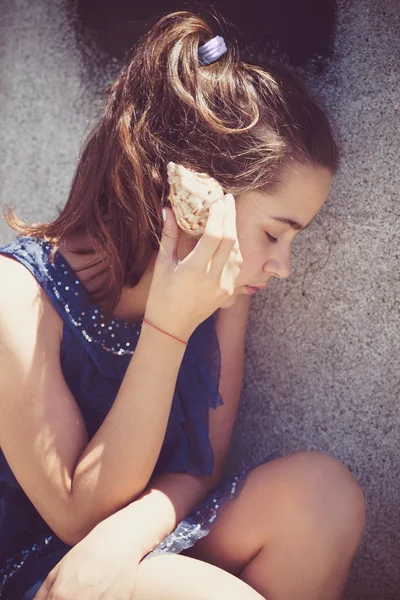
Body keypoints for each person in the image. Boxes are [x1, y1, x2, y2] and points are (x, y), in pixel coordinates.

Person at [0, 10, 365, 600]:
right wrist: (169, 327)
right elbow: (76, 515)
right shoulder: (18, 296)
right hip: (36, 568)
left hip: (134, 536)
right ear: (197, 195)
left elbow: (202, 463)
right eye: (274, 234)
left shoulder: (223, 289)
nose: (282, 267)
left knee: (325, 498)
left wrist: (125, 540)